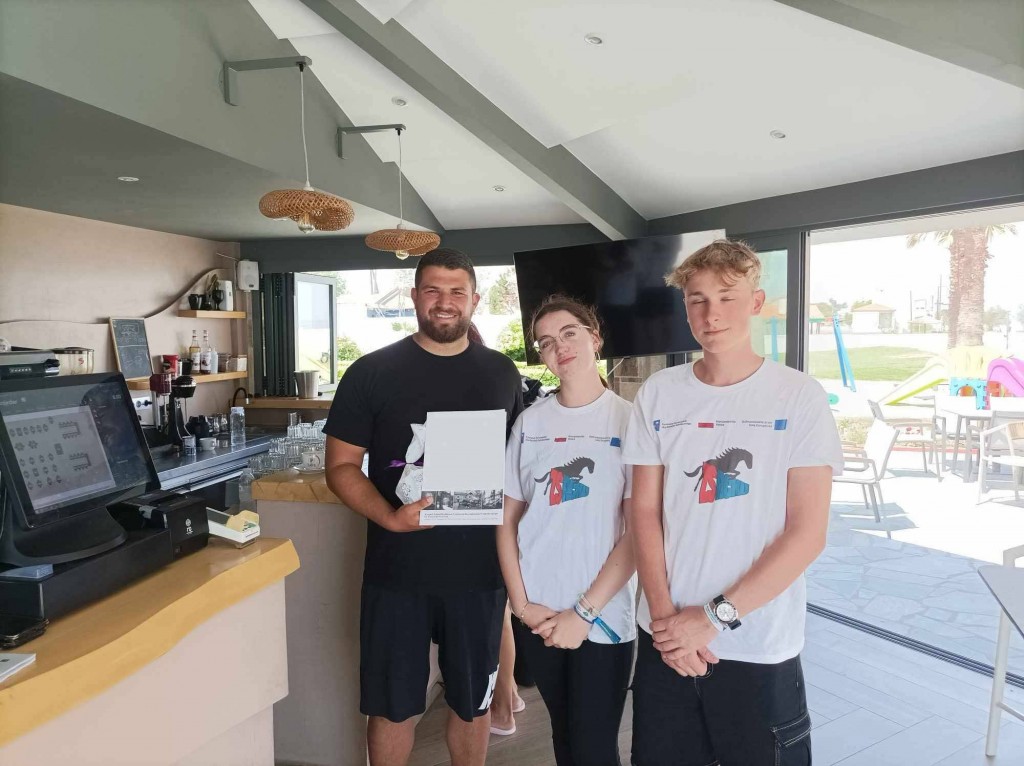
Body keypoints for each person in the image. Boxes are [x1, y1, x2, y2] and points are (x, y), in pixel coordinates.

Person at [623, 240, 843, 766]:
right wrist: (666, 622)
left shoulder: (799, 396)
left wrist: (712, 618)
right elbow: (643, 513)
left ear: (756, 302)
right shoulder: (658, 393)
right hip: (665, 637)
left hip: (758, 643)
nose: (711, 314)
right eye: (697, 299)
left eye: (726, 297)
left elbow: (807, 533)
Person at [323, 248, 523, 766]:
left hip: (479, 572)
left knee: (473, 704)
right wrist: (390, 517)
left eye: (457, 292)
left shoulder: (502, 372)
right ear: (414, 297)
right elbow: (340, 467)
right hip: (397, 572)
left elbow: (519, 467)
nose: (445, 302)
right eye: (433, 290)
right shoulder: (370, 372)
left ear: (475, 300)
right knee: (391, 708)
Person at [498, 295, 637, 766]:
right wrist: (521, 606)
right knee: (565, 740)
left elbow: (637, 533)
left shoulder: (629, 420)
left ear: (595, 338)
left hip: (602, 616)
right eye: (546, 342)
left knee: (595, 748)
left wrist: (584, 613)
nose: (559, 347)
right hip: (538, 613)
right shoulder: (530, 423)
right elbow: (507, 520)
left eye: (570, 333)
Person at [465, 320, 526, 736]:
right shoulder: (498, 375)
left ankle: (503, 708)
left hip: (490, 508)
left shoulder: (492, 376)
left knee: (497, 614)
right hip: (493, 505)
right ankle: (511, 696)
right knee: (497, 612)